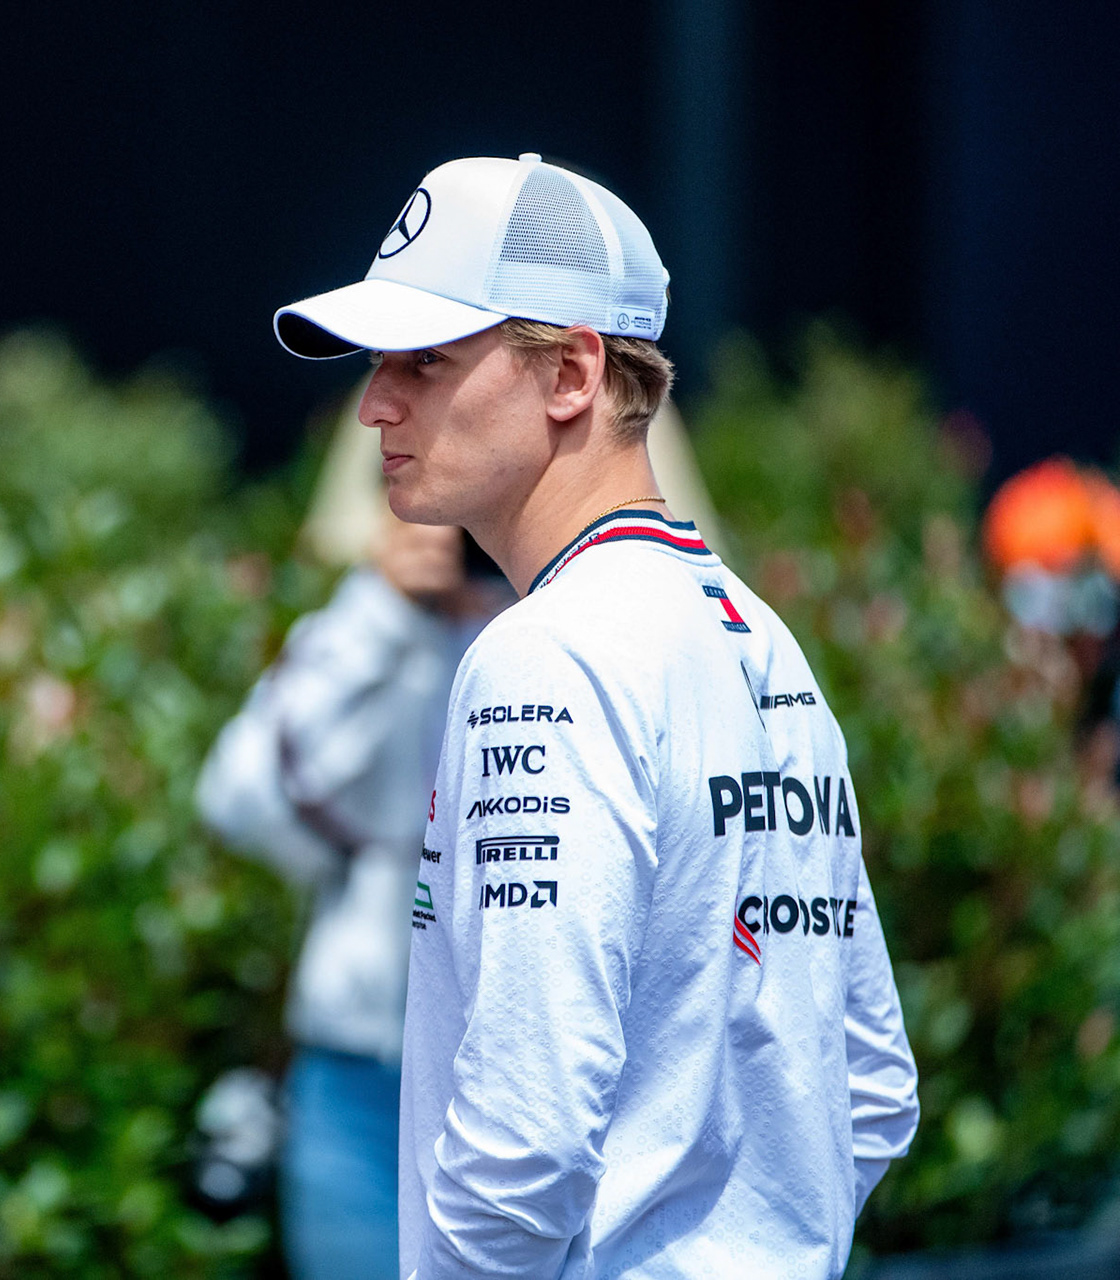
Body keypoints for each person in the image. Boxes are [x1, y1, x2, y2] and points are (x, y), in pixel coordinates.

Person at [272, 154, 920, 1278]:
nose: (376, 401)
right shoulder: (764, 638)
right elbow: (872, 1088)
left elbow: (524, 1137)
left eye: (425, 359)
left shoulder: (543, 653)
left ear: (572, 372)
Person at [197, 489, 510, 1279]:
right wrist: (382, 609)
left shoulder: (569, 635)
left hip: (513, 1073)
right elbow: (236, 799)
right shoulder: (374, 630)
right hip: (358, 1078)